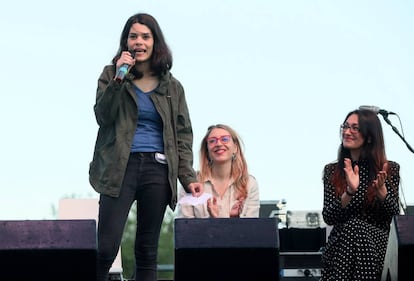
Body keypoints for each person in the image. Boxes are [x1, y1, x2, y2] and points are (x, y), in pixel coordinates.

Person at [88, 13, 202, 281]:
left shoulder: (173, 87)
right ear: (126, 42)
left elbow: (182, 134)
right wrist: (119, 78)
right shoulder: (110, 74)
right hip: (119, 167)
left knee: (147, 251)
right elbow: (103, 116)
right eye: (133, 36)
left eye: (145, 36)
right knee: (105, 248)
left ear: (155, 42)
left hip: (158, 169)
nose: (139, 41)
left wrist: (188, 176)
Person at [321, 108, 401, 280]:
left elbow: (396, 218)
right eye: (345, 126)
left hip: (377, 245)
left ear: (370, 136)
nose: (347, 132)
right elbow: (328, 216)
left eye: (355, 128)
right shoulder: (332, 171)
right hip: (340, 247)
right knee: (352, 227)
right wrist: (349, 192)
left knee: (355, 227)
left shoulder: (388, 169)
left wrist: (383, 194)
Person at [177, 124, 260, 218]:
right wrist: (212, 219)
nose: (219, 144)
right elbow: (185, 229)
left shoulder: (250, 184)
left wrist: (234, 219)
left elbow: (251, 230)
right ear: (207, 150)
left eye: (225, 139)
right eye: (212, 141)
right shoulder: (191, 183)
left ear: (235, 148)